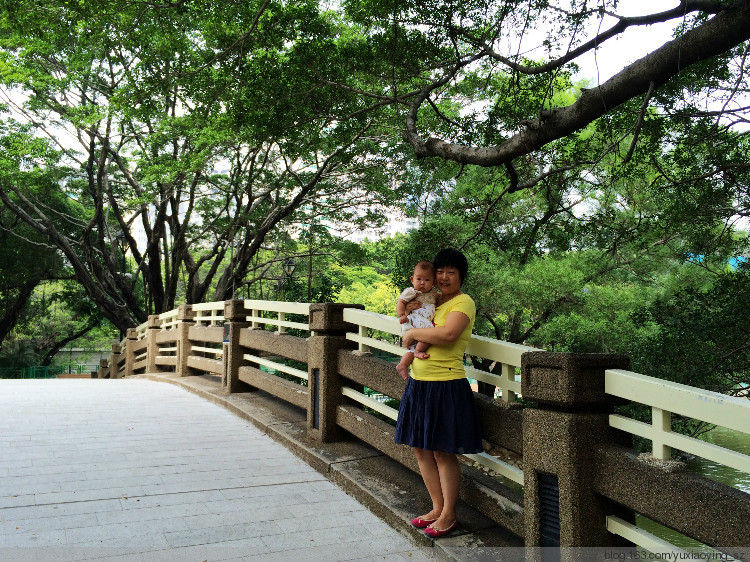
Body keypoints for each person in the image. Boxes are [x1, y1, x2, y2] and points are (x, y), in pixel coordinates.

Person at [394, 248, 482, 539]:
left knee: (443, 453)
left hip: (446, 384)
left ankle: (449, 515)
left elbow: (447, 335)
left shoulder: (463, 302)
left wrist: (411, 335)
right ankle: (436, 507)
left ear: (461, 277)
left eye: (451, 272)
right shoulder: (430, 299)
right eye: (440, 271)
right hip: (419, 382)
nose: (443, 277)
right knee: (421, 449)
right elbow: (406, 313)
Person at [395, 260, 439, 381]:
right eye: (419, 279)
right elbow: (400, 303)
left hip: (421, 323)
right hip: (414, 321)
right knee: (431, 333)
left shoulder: (434, 293)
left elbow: (438, 298)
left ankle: (402, 365)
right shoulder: (412, 292)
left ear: (434, 282)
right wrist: (401, 315)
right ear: (412, 279)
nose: (422, 283)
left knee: (412, 348)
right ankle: (418, 351)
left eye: (427, 280)